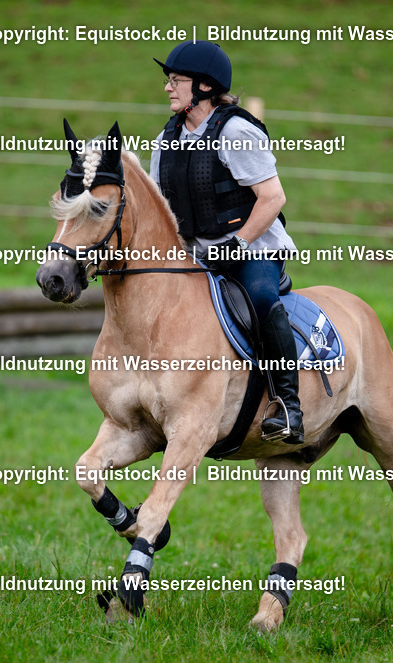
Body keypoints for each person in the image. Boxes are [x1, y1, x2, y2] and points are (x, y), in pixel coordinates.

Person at [149, 40, 303, 445]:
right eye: (169, 81)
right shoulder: (165, 140)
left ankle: (288, 406)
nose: (168, 88)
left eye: (176, 80)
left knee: (262, 299)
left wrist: (236, 245)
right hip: (197, 254)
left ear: (204, 86)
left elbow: (273, 198)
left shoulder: (236, 132)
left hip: (253, 249)